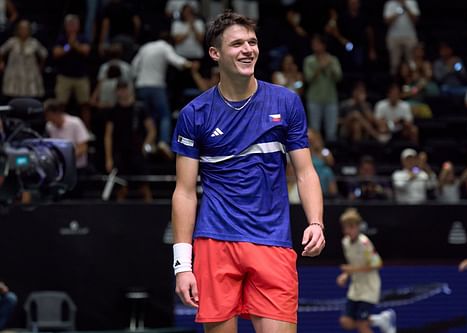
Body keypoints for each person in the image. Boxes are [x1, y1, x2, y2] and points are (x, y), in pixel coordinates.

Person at [171, 11, 325, 333]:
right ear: (215, 54)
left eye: (252, 42)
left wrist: (316, 222)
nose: (248, 50)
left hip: (273, 242)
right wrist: (182, 265)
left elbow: (306, 172)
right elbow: (184, 191)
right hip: (215, 242)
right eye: (237, 43)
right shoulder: (194, 114)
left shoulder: (286, 103)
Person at [132, 32, 192, 160]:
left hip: (140, 86)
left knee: (149, 116)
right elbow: (177, 60)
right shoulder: (164, 47)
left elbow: (134, 67)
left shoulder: (145, 47)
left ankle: (149, 144)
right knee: (164, 114)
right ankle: (163, 142)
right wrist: (189, 64)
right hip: (156, 86)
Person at [337, 208, 396, 333]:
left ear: (358, 227)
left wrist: (351, 269)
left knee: (362, 325)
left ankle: (379, 320)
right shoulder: (345, 242)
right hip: (355, 289)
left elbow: (378, 264)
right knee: (346, 322)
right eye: (346, 227)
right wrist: (345, 275)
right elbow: (352, 263)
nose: (349, 230)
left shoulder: (365, 243)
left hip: (369, 288)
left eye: (351, 227)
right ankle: (380, 320)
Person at [104, 81, 156, 202]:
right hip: (120, 153)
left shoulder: (140, 108)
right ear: (116, 92)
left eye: (125, 89)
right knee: (121, 188)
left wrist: (146, 145)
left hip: (137, 153)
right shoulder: (113, 110)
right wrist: (109, 158)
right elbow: (108, 135)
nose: (123, 92)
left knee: (144, 187)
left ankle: (152, 215)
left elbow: (152, 130)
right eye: (120, 90)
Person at [52, 14, 92, 130]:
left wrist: (75, 45)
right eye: (70, 25)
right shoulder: (61, 39)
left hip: (81, 76)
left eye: (74, 24)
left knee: (85, 105)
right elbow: (56, 53)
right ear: (65, 26)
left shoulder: (83, 38)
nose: (72, 27)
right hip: (64, 76)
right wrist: (68, 46)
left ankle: (86, 130)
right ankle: (59, 128)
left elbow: (86, 51)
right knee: (60, 104)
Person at [303, 34, 343, 143]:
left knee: (331, 131)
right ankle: (316, 155)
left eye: (317, 43)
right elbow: (308, 78)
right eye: (313, 44)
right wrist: (321, 67)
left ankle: (331, 154)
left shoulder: (333, 60)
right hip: (314, 99)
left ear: (324, 45)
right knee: (314, 129)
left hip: (330, 99)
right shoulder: (309, 61)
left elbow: (339, 77)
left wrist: (329, 66)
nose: (315, 46)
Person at [0, 20, 48, 99]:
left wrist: (40, 67)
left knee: (30, 97)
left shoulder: (34, 42)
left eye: (26, 29)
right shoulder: (12, 41)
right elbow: (1, 51)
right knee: (13, 97)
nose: (23, 31)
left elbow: (44, 54)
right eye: (21, 29)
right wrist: (1, 63)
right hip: (14, 73)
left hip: (30, 74)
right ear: (18, 30)